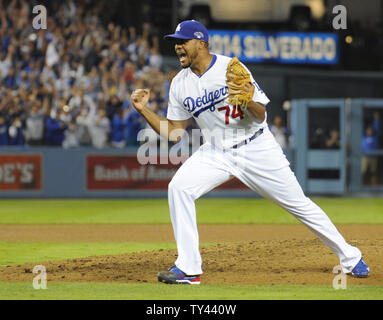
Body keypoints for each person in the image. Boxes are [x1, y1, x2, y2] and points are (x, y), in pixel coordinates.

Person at [130, 20, 369, 285]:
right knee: (179, 188)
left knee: (298, 204)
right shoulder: (179, 84)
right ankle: (188, 268)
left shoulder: (230, 68)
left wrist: (249, 102)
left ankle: (350, 256)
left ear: (201, 42)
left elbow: (260, 115)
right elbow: (175, 132)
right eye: (175, 42)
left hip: (255, 146)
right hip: (216, 151)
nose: (177, 47)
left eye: (182, 41)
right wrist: (144, 110)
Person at [361, 112, 380, 185]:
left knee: (373, 172)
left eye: (371, 130)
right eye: (368, 130)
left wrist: (376, 119)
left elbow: (376, 127)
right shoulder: (364, 137)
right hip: (364, 156)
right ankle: (361, 185)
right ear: (366, 131)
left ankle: (373, 185)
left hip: (373, 156)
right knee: (363, 171)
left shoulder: (375, 136)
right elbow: (361, 126)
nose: (369, 131)